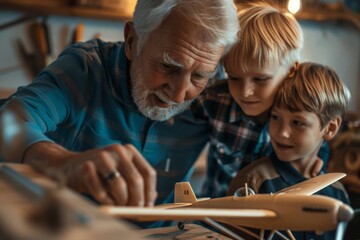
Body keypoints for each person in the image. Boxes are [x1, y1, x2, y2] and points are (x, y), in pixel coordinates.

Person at [0, 0, 239, 213]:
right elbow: (7, 124)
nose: (178, 96)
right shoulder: (85, 70)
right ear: (132, 41)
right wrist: (63, 162)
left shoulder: (217, 90)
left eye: (198, 76)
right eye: (168, 66)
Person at [192, 2, 304, 198]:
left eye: (260, 80)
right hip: (217, 218)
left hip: (274, 222)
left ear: (291, 70)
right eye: (234, 78)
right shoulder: (214, 101)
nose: (245, 92)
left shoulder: (302, 114)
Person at [228, 62, 351, 240]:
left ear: (330, 128)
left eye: (297, 122)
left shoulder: (337, 192)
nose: (282, 133)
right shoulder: (251, 183)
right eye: (276, 117)